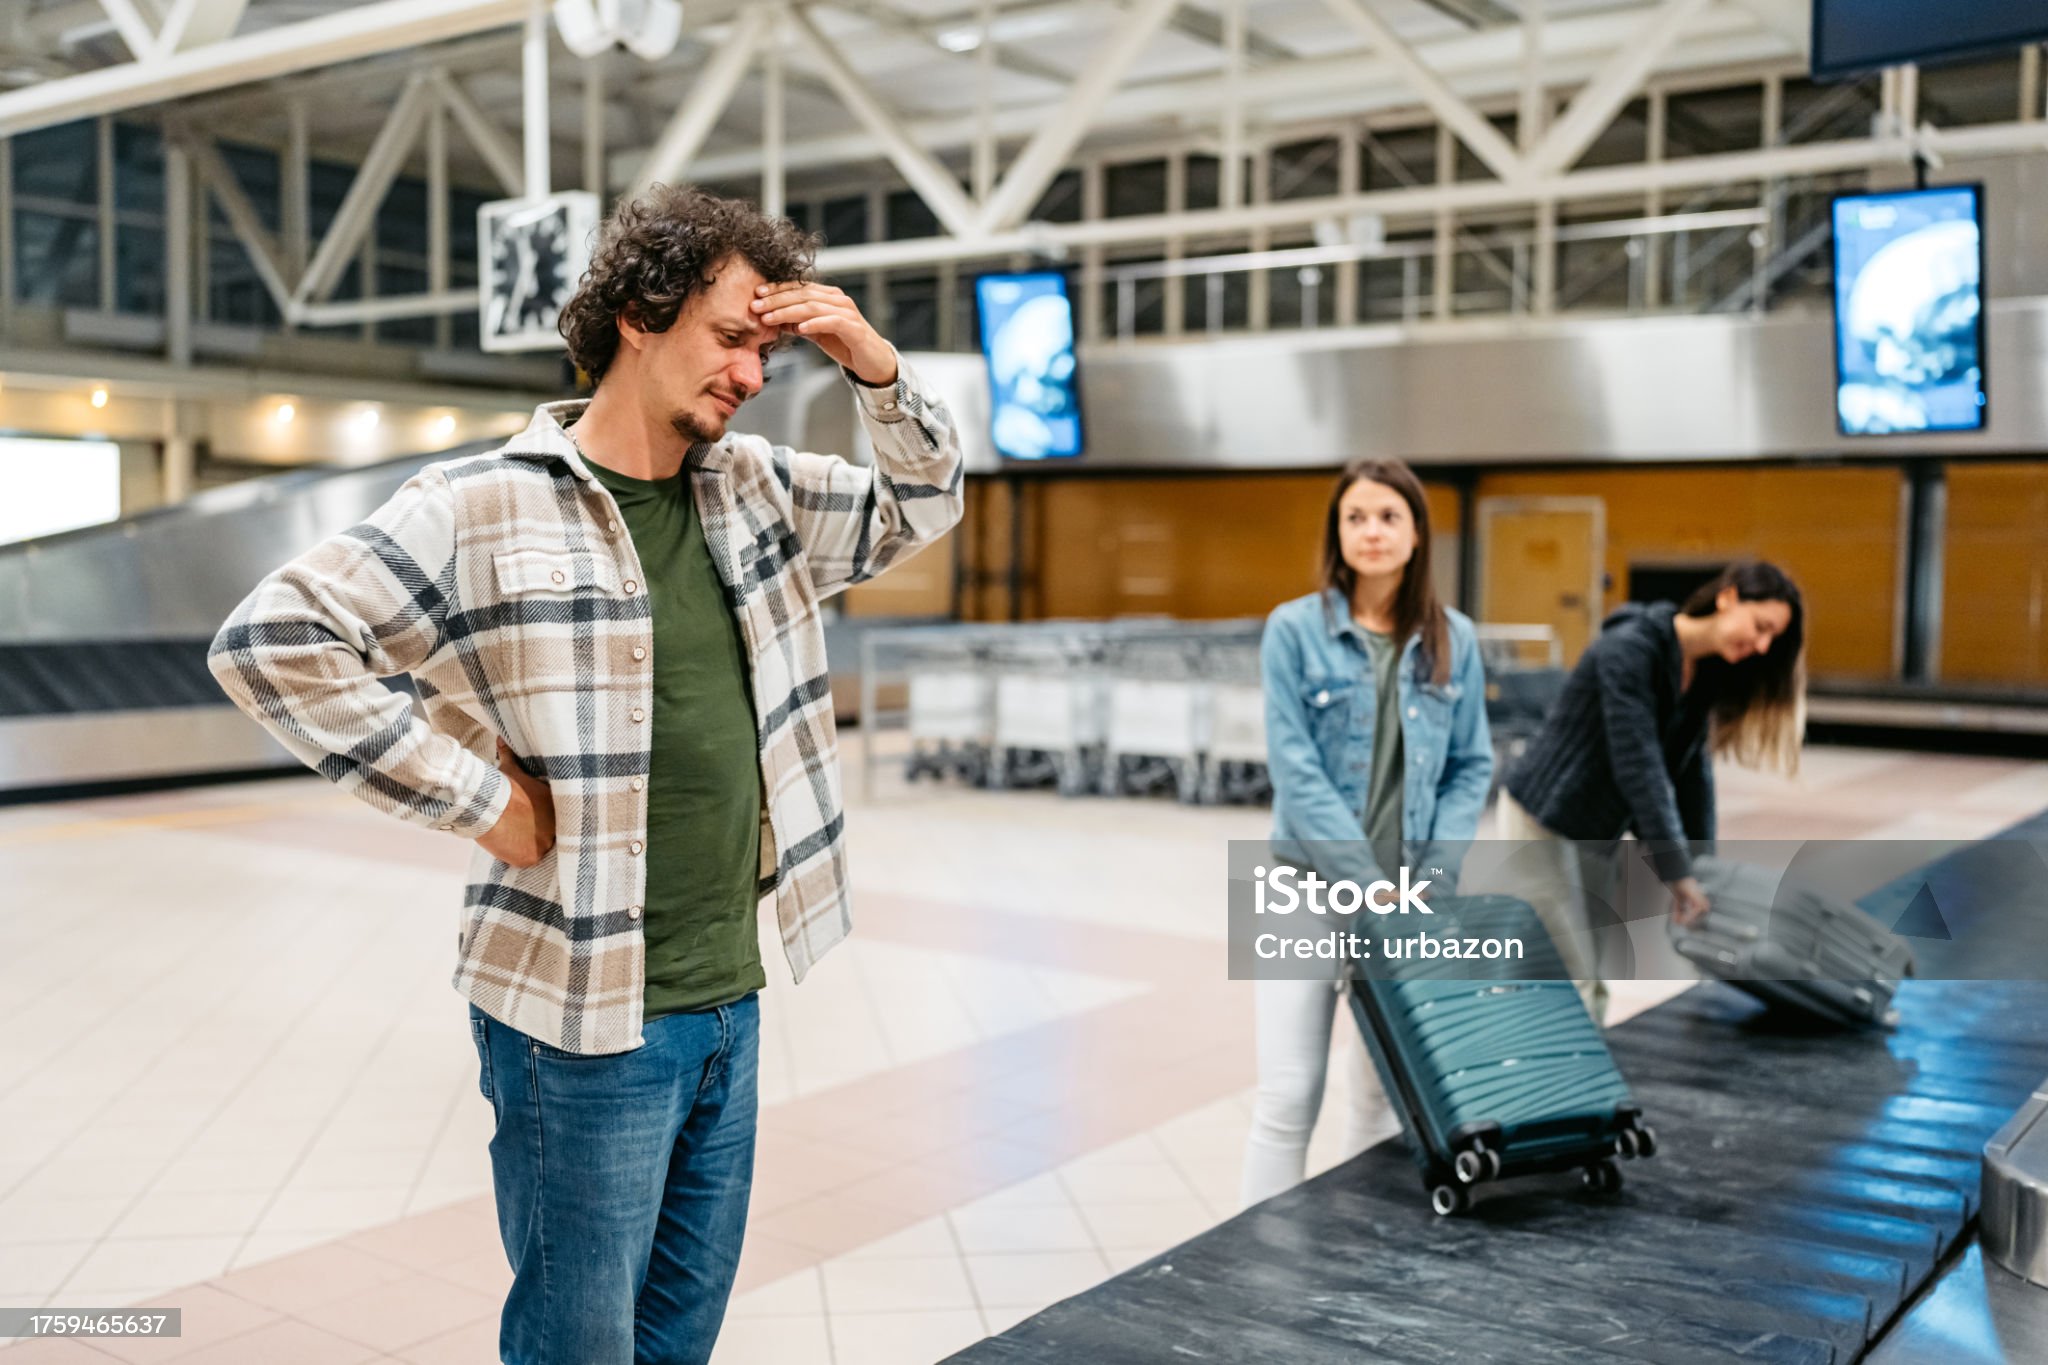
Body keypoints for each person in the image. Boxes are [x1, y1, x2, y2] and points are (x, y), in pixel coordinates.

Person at [206, 185, 965, 1365]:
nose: (752, 376)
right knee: (579, 1346)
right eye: (730, 339)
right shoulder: (481, 504)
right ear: (638, 317)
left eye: (765, 351)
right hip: (577, 1018)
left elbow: (922, 503)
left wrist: (872, 366)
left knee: (677, 1339)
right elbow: (272, 642)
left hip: (728, 999)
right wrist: (484, 804)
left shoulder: (753, 489)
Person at [1240, 459, 1493, 1208]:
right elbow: (1296, 770)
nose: (1372, 531)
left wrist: (1429, 881)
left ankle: (1352, 1270)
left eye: (1389, 516)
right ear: (1337, 533)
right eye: (1356, 517)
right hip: (1305, 889)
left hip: (1410, 897)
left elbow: (1471, 765)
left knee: (1381, 1099)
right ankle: (1268, 1267)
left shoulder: (1457, 640)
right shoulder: (1293, 630)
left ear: (1417, 533)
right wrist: (1369, 881)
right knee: (1288, 1096)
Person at [1498, 560, 1806, 1026]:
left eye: (1772, 639)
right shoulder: (1629, 649)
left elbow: (1690, 775)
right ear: (1728, 598)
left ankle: (1566, 1083)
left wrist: (1704, 868)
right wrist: (1676, 871)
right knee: (1572, 979)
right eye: (1761, 627)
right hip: (1538, 821)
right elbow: (1638, 765)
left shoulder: (1704, 672)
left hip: (1592, 832)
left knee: (1587, 975)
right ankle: (1562, 1093)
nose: (1761, 645)